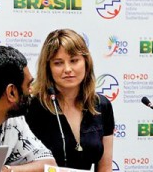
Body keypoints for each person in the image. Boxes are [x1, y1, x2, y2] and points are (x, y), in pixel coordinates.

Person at [25, 28, 115, 171]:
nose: (67, 69)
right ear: (48, 68)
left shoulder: (102, 105)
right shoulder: (33, 107)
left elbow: (105, 167)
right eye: (58, 63)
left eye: (74, 60)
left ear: (86, 62)